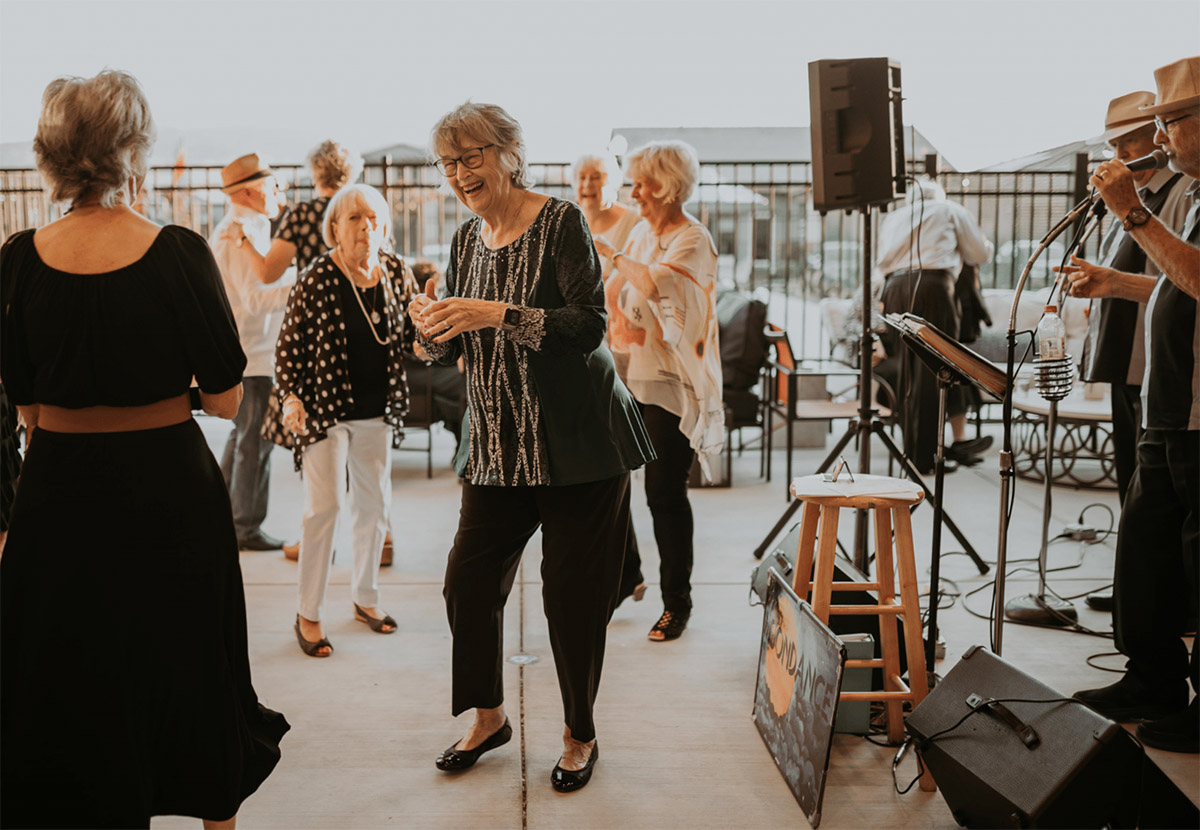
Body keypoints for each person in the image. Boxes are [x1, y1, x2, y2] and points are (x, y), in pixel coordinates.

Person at [0, 69, 288, 828]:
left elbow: (25, 404)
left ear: (53, 157)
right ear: (133, 152)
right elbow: (226, 397)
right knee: (188, 659)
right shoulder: (178, 253)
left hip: (57, 494)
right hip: (168, 491)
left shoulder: (19, 259)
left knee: (68, 667)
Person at [412, 101, 654, 792]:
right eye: (450, 162)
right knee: (467, 582)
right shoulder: (464, 241)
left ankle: (580, 733)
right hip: (495, 445)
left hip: (575, 447)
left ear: (509, 154)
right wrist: (433, 327)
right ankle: (489, 715)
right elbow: (457, 338)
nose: (461, 173)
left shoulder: (562, 223)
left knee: (569, 601)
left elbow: (588, 327)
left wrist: (499, 313)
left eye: (472, 157)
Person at [1067, 55, 1200, 754]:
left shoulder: (1171, 197)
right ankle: (1150, 675)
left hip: (1199, 409)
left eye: (1171, 121)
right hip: (1167, 401)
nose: (1162, 135)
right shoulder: (1194, 193)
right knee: (1144, 550)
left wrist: (1132, 213)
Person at [275, 183, 417, 657]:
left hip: (378, 410)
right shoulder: (317, 276)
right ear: (334, 227)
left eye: (373, 218)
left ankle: (365, 597)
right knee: (325, 508)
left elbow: (417, 332)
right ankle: (308, 612)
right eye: (354, 218)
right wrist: (291, 398)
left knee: (374, 508)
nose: (365, 227)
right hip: (324, 411)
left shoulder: (395, 271)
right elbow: (288, 348)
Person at [592, 140, 725, 642]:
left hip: (674, 389)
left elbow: (657, 286)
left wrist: (617, 257)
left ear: (667, 186)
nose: (635, 192)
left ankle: (677, 603)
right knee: (609, 484)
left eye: (643, 183)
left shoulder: (694, 239)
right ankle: (627, 577)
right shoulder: (644, 236)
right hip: (631, 381)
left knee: (663, 495)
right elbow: (616, 293)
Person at [1071, 92, 1193, 504]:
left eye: (1130, 143)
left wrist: (1117, 281)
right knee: (1134, 489)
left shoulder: (1180, 192)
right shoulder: (1131, 197)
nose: (1120, 156)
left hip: (1158, 368)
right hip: (1129, 365)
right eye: (1114, 147)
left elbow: (1183, 281)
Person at [875, 178, 996, 474]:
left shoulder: (893, 217)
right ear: (937, 195)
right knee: (935, 367)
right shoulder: (948, 209)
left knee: (907, 371)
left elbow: (882, 262)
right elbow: (979, 254)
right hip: (933, 287)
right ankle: (927, 457)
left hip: (894, 290)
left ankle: (912, 450)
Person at [211, 153, 296, 551]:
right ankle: (245, 526)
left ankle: (226, 517)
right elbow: (255, 299)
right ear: (248, 191)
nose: (279, 190)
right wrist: (303, 285)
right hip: (253, 353)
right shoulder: (237, 232)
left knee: (243, 438)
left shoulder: (248, 228)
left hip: (251, 350)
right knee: (255, 442)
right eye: (272, 184)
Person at [403, 259, 467, 451]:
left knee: (463, 383)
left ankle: (462, 447)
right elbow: (416, 351)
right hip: (416, 372)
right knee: (462, 387)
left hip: (436, 369)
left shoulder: (436, 309)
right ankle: (463, 448)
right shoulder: (410, 311)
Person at [573, 152, 640, 280]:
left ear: (611, 183)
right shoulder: (570, 224)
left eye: (595, 177)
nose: (587, 184)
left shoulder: (633, 221)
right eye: (582, 178)